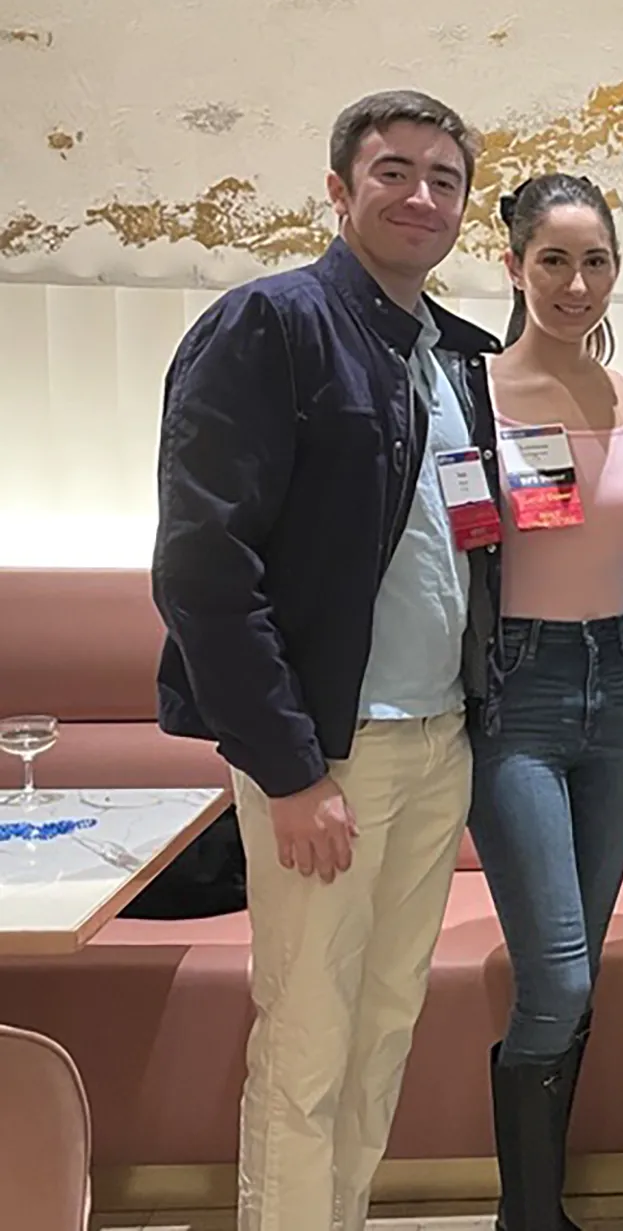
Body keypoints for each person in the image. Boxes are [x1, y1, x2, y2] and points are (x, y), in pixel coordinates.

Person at [151, 90, 499, 1231]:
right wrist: (291, 771)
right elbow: (205, 567)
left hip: (439, 739)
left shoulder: (460, 356)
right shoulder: (269, 325)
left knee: (386, 1023)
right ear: (341, 191)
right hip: (327, 760)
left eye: (445, 179)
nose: (422, 195)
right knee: (306, 1039)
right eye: (393, 171)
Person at [467, 172, 623, 1230]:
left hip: (622, 687)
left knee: (573, 965)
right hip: (520, 693)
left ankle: (532, 1211)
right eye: (553, 261)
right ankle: (530, 1219)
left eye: (595, 262)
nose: (576, 283)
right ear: (513, 266)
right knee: (561, 975)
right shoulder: (469, 392)